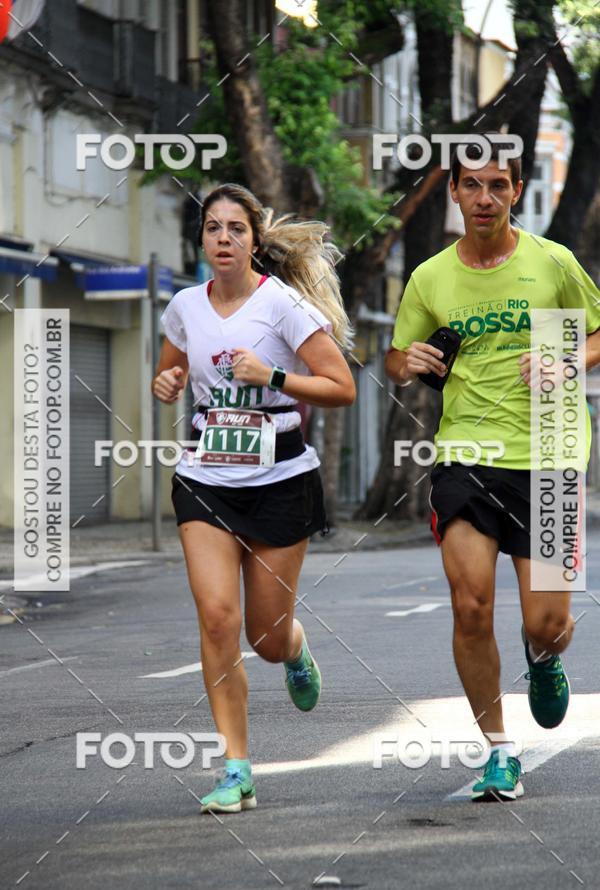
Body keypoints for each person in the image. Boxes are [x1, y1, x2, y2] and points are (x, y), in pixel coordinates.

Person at [385, 137, 600, 800]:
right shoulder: (430, 278)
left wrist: (568, 362)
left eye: (498, 185)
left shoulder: (553, 262)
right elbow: (397, 357)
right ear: (453, 191)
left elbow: (597, 332)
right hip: (466, 456)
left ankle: (543, 658)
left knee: (547, 623)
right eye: (472, 185)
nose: (485, 198)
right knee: (470, 604)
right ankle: (500, 749)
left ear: (515, 190)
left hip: (553, 454)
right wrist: (411, 362)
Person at [152, 183, 355, 813]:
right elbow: (174, 367)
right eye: (213, 228)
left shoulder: (284, 306)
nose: (223, 239)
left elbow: (340, 385)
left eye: (235, 228)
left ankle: (293, 649)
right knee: (216, 618)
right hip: (206, 477)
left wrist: (269, 375)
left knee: (263, 636)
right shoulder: (186, 305)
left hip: (280, 479)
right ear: (202, 239)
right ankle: (236, 767)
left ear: (253, 239)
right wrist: (167, 381)